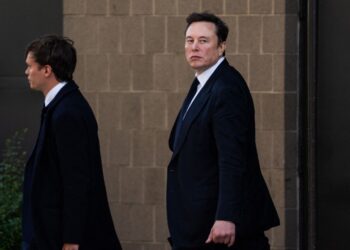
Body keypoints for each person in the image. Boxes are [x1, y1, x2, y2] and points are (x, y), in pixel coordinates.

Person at [166, 12, 280, 250]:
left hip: (219, 225)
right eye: (189, 40)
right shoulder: (203, 83)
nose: (194, 47)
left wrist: (226, 216)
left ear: (221, 47)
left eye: (203, 41)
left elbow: (233, 157)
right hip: (198, 220)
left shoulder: (225, 87)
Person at [22, 35, 122, 250]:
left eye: (30, 66)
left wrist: (71, 239)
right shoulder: (60, 106)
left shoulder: (67, 112)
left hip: (64, 239)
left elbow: (76, 180)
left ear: (47, 70)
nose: (26, 72)